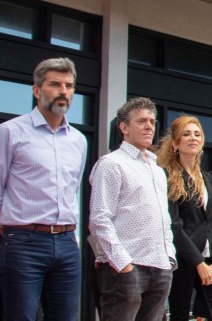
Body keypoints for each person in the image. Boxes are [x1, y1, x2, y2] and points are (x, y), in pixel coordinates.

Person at [0, 57, 88, 321]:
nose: (63, 91)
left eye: (69, 86)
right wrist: (18, 230)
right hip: (24, 243)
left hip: (66, 243)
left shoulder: (78, 140)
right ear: (37, 90)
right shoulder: (9, 132)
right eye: (55, 84)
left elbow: (72, 190)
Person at [88, 97, 176, 321]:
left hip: (159, 266)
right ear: (124, 127)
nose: (149, 126)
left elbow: (163, 218)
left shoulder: (157, 170)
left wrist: (169, 258)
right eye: (142, 121)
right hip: (126, 267)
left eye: (152, 122)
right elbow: (99, 219)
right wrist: (123, 263)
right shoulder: (111, 164)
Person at [157, 115, 212, 321]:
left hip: (211, 262)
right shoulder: (168, 176)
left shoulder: (209, 178)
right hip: (184, 260)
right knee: (179, 314)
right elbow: (174, 224)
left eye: (197, 134)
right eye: (186, 134)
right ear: (175, 143)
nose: (193, 138)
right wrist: (198, 262)